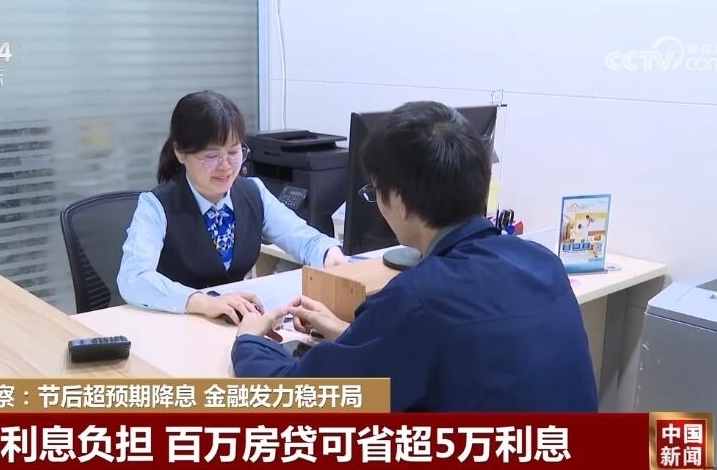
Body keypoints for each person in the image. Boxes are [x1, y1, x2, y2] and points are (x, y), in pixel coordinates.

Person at [230, 101, 599, 412]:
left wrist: (249, 342)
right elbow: (462, 357)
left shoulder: (417, 299)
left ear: (401, 202)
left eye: (375, 192)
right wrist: (353, 336)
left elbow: (298, 398)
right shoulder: (541, 262)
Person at [117, 90, 346, 324]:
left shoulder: (253, 193)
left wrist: (329, 254)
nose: (225, 166)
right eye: (211, 156)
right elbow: (133, 278)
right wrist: (204, 302)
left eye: (234, 152)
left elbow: (306, 240)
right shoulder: (156, 205)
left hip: (233, 325)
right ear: (180, 153)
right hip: (174, 324)